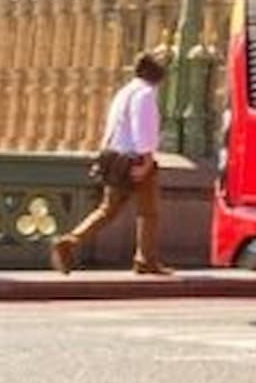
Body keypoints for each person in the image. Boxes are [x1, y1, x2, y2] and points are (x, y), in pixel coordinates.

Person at [53, 53, 170, 276]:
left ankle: (70, 241)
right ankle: (146, 260)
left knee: (107, 210)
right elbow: (142, 128)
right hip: (134, 159)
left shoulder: (124, 92)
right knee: (148, 212)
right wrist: (146, 161)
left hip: (114, 156)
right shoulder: (145, 94)